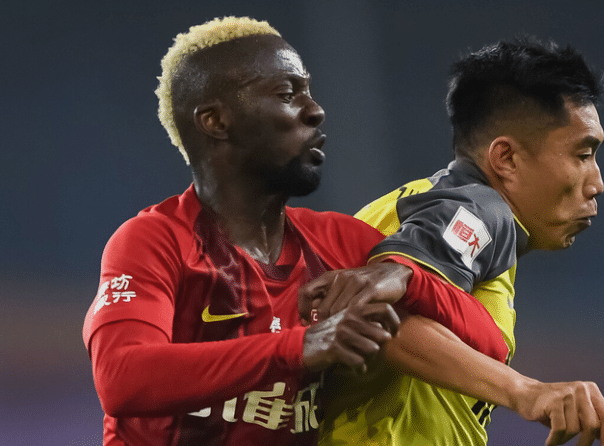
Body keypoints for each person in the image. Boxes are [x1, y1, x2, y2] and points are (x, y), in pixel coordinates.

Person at [82, 16, 511, 446]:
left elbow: (489, 345)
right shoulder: (155, 240)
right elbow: (122, 378)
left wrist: (406, 276)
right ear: (216, 121)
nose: (315, 110)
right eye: (288, 95)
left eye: (309, 91)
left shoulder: (342, 243)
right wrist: (301, 347)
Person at [309, 38, 604, 446]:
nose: (597, 183)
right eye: (582, 155)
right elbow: (374, 313)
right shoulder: (481, 212)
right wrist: (526, 391)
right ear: (506, 159)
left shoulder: (417, 205)